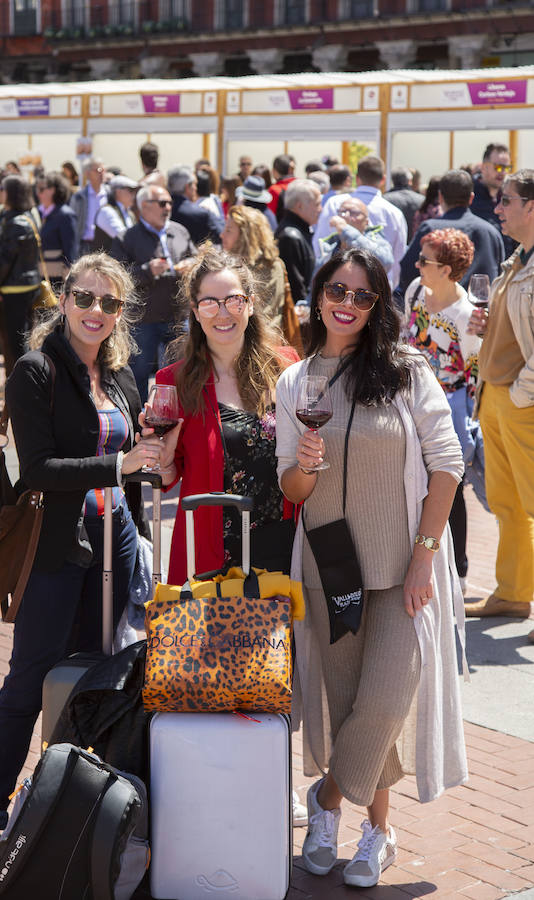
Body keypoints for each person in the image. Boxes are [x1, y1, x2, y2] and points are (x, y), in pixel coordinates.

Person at [0, 252, 163, 875]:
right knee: (29, 682)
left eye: (109, 303)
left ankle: (77, 812)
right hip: (56, 548)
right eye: (84, 298)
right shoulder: (36, 370)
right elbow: (40, 471)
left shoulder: (124, 375)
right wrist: (119, 466)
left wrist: (148, 468)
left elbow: (134, 463)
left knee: (100, 683)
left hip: (116, 543)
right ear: (63, 299)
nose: (95, 311)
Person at [276, 248, 467, 888]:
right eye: (338, 289)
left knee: (383, 702)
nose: (348, 304)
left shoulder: (407, 370)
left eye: (362, 295)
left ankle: (326, 800)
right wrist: (304, 462)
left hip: (399, 570)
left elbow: (448, 463)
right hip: (330, 568)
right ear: (319, 293)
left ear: (379, 304)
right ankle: (376, 833)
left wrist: (425, 557)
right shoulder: (297, 380)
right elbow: (294, 492)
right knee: (349, 704)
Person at [154, 244, 298, 581]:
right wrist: (160, 452)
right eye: (209, 303)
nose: (222, 313)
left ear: (249, 304)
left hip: (283, 544)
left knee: (284, 636)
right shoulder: (173, 381)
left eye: (233, 300)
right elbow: (165, 478)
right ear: (195, 310)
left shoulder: (286, 366)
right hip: (213, 554)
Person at [465, 169, 534, 625]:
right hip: (497, 398)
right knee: (508, 506)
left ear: (531, 207)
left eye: (507, 200)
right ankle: (512, 592)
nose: (498, 208)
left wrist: (519, 396)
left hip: (519, 403)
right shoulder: (518, 258)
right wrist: (488, 329)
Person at [402, 228, 479, 590]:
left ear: (447, 269)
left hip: (448, 406)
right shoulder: (417, 290)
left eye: (424, 260)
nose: (416, 264)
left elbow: (474, 371)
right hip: (410, 397)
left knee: (452, 485)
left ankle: (459, 571)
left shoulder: (466, 315)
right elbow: (406, 334)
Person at [111, 183, 196, 402]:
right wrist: (147, 270)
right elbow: (116, 276)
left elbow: (196, 258)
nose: (168, 207)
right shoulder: (127, 238)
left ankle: (174, 419)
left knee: (177, 374)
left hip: (177, 317)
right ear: (144, 207)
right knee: (137, 375)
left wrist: (191, 264)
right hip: (143, 320)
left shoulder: (180, 231)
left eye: (169, 202)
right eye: (162, 203)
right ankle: (138, 425)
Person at [399, 169, 504, 294]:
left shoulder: (430, 230)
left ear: (440, 197)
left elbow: (408, 270)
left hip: (436, 308)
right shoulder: (491, 233)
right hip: (480, 309)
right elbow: (500, 278)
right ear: (471, 198)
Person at [315, 155, 407, 289]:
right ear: (383, 179)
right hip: (378, 288)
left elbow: (319, 245)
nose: (347, 216)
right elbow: (399, 256)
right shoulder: (394, 213)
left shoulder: (334, 203)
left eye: (355, 214)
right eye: (344, 212)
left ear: (357, 178)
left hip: (338, 288)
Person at [0, 175, 41, 371]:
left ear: (10, 194)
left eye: (2, 189)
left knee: (17, 342)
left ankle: (26, 382)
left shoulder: (16, 223)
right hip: (28, 285)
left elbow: (5, 261)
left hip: (14, 288)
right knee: (25, 337)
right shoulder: (28, 216)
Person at [221, 204, 286, 327]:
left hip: (261, 341)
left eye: (228, 230)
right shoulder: (228, 266)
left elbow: (267, 315)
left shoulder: (271, 266)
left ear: (245, 237)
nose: (222, 234)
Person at [315, 196, 393, 274]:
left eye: (354, 212)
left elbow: (386, 263)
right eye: (342, 211)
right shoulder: (330, 245)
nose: (346, 215)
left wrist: (346, 230)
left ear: (366, 222)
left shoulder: (376, 240)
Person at [275, 179, 321, 304]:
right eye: (317, 204)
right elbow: (296, 287)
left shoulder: (299, 231)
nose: (320, 209)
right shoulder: (290, 237)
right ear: (299, 206)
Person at [471, 142, 517, 258]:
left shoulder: (509, 197)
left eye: (507, 167)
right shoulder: (469, 196)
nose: (502, 172)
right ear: (484, 167)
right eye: (498, 167)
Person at [37, 171, 79, 290]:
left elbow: (70, 251)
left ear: (53, 190)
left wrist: (68, 282)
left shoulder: (65, 215)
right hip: (40, 277)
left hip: (57, 280)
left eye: (41, 189)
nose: (38, 193)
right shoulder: (39, 212)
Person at [168, 165, 222, 245]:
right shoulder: (202, 214)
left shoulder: (159, 210)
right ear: (187, 187)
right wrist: (211, 214)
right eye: (195, 184)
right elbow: (221, 236)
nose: (196, 189)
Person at [70, 157, 107, 255]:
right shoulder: (79, 197)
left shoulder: (110, 195)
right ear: (87, 173)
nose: (102, 173)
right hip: (85, 247)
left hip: (107, 247)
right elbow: (73, 225)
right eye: (98, 170)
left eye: (104, 170)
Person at [93, 174, 138, 251]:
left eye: (135, 191)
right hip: (106, 262)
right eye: (131, 190)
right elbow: (125, 238)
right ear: (118, 191)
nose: (134, 194)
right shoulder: (106, 212)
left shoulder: (129, 213)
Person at [384, 167, 424, 242]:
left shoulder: (384, 199)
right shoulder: (422, 200)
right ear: (410, 181)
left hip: (392, 245)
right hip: (415, 245)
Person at [268, 154, 296, 220]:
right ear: (290, 170)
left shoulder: (274, 190)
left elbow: (270, 217)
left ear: (274, 171)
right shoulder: (303, 185)